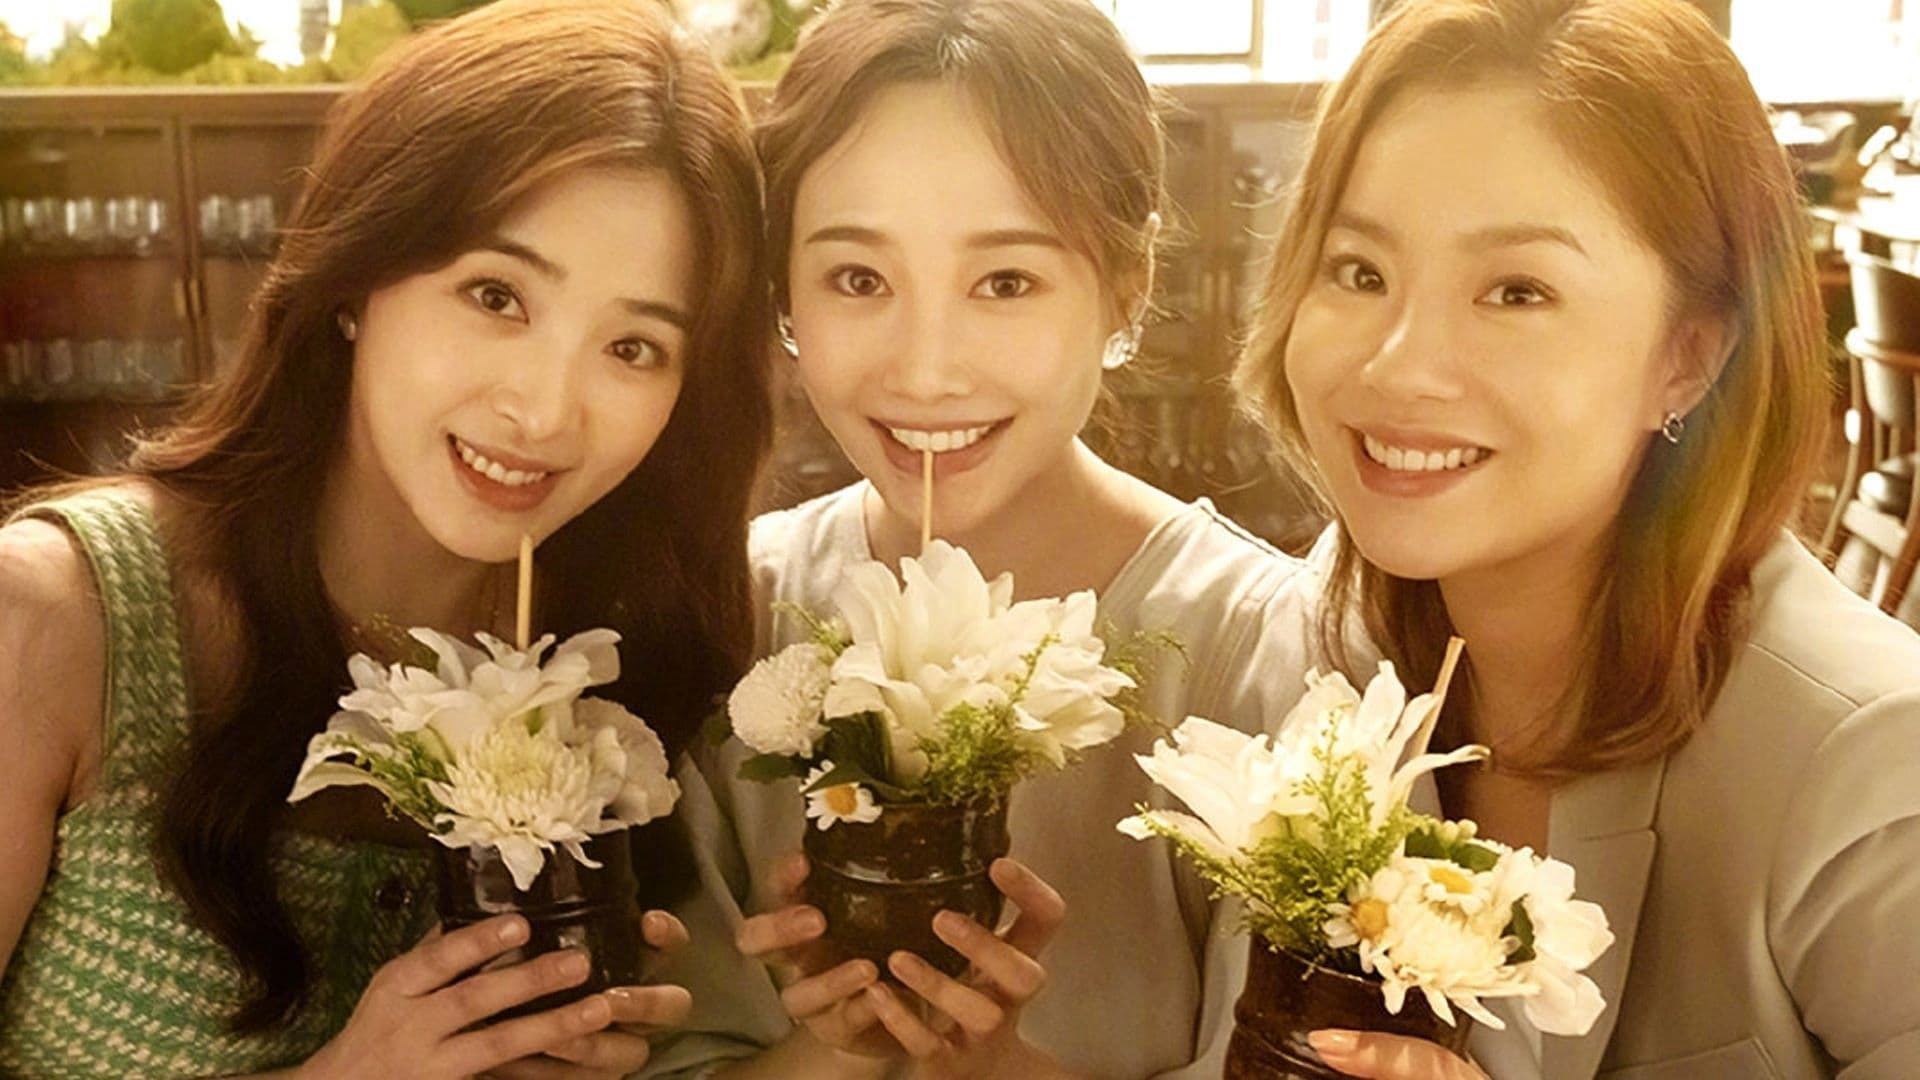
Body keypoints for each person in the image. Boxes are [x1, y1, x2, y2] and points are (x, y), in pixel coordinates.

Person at [0, 0, 771, 1076]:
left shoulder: (614, 668)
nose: (546, 411)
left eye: (634, 347)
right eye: (496, 295)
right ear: (357, 275)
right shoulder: (55, 619)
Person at [1234, 0, 1920, 1076]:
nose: (1398, 365)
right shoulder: (1329, 639)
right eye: (1359, 271)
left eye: (1517, 292)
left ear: (1688, 358)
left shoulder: (1870, 763)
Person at [643, 1, 1320, 1077]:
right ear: (783, 296)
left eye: (1006, 282)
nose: (926, 369)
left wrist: (1002, 1066)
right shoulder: (734, 611)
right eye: (858, 279)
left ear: (1128, 289)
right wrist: (841, 1045)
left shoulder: (1260, 652)